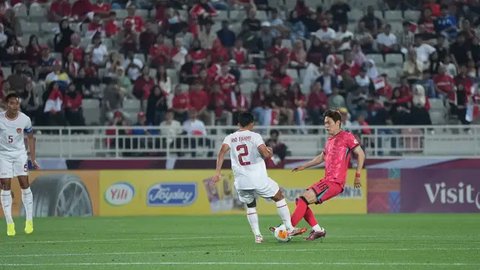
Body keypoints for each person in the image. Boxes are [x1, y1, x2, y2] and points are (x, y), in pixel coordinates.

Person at [212, 112, 306, 243]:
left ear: (238, 124)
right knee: (279, 196)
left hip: (241, 182)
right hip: (258, 179)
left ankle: (258, 236)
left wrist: (217, 173)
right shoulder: (255, 136)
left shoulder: (230, 138)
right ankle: (289, 228)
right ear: (252, 124)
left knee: (251, 205)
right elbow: (265, 154)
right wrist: (269, 151)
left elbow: (221, 153)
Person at [272, 109, 365, 241]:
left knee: (303, 199)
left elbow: (361, 154)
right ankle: (318, 230)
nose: (326, 125)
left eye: (329, 122)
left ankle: (288, 228)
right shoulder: (329, 140)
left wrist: (358, 175)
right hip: (327, 180)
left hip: (335, 182)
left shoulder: (347, 137)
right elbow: (321, 158)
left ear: (338, 122)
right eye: (325, 123)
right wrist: (304, 166)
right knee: (301, 201)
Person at [0, 93, 40, 236]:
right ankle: (10, 223)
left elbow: (30, 138)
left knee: (24, 184)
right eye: (11, 103)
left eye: (17, 103)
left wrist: (33, 158)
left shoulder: (25, 119)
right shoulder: (0, 119)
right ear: (6, 104)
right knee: (5, 185)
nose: (15, 106)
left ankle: (29, 220)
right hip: (3, 155)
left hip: (19, 154)